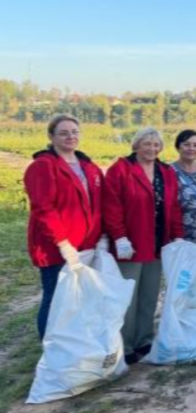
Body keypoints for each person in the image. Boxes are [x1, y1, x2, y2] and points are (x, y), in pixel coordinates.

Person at [103, 127, 184, 364]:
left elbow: (174, 206)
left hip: (158, 243)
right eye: (146, 143)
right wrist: (119, 237)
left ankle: (144, 340)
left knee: (149, 296)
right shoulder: (121, 170)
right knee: (129, 297)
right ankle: (126, 344)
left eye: (156, 144)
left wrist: (177, 236)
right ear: (136, 145)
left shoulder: (166, 172)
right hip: (131, 244)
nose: (151, 148)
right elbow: (111, 206)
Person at [24, 114, 106, 341]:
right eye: (64, 132)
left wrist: (102, 236)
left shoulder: (88, 166)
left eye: (74, 132)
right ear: (51, 136)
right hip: (57, 248)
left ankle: (72, 345)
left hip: (87, 245)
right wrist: (62, 243)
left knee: (79, 299)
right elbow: (43, 208)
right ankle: (51, 350)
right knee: (56, 299)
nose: (70, 136)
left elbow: (99, 203)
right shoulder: (43, 166)